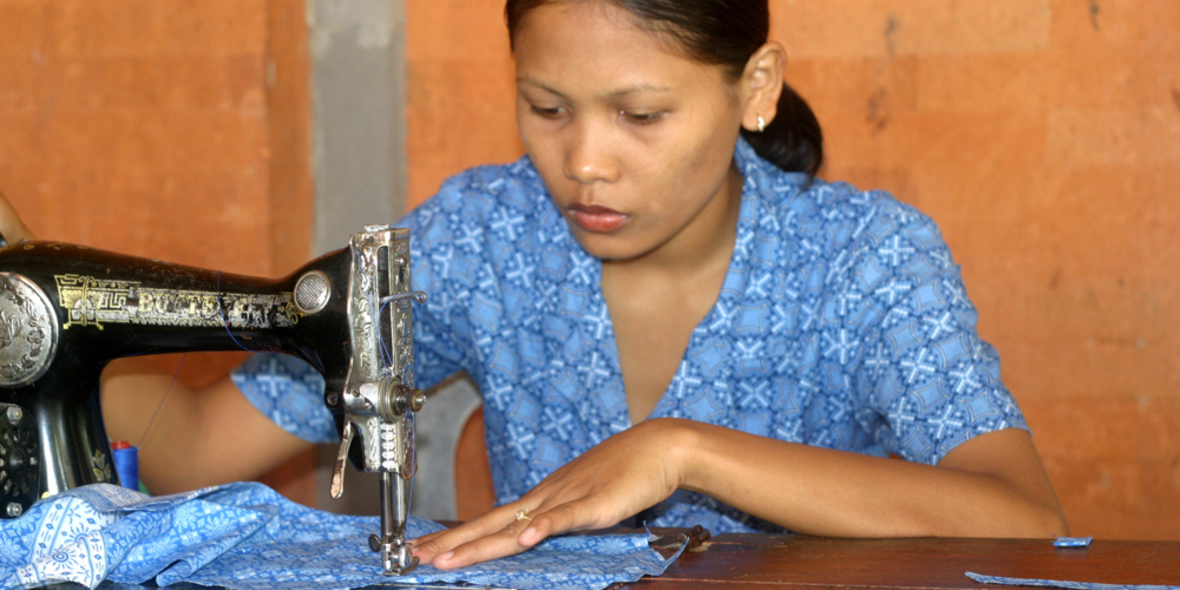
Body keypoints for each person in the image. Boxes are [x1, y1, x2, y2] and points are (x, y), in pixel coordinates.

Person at [0, 0, 1069, 572]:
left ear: (753, 88)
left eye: (640, 116)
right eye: (546, 107)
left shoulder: (866, 256)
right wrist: (47, 321)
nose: (584, 162)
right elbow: (192, 448)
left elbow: (1021, 514)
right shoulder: (485, 235)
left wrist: (681, 448)